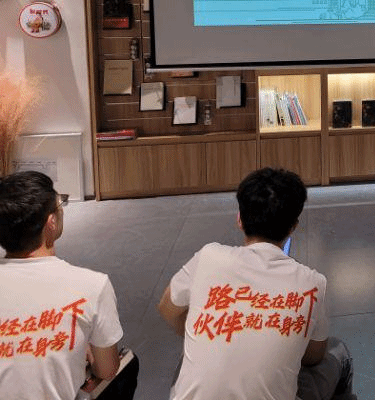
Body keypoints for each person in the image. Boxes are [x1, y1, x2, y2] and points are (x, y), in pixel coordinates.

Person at [158, 167, 353, 400]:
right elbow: (314, 356)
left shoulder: (208, 256)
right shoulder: (313, 283)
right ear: (293, 226)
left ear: (239, 219)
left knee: (187, 359)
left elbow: (167, 308)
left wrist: (211, 333)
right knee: (339, 352)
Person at [0, 171, 138, 400]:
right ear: (51, 223)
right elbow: (107, 370)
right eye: (60, 204)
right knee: (128, 365)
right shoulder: (91, 286)